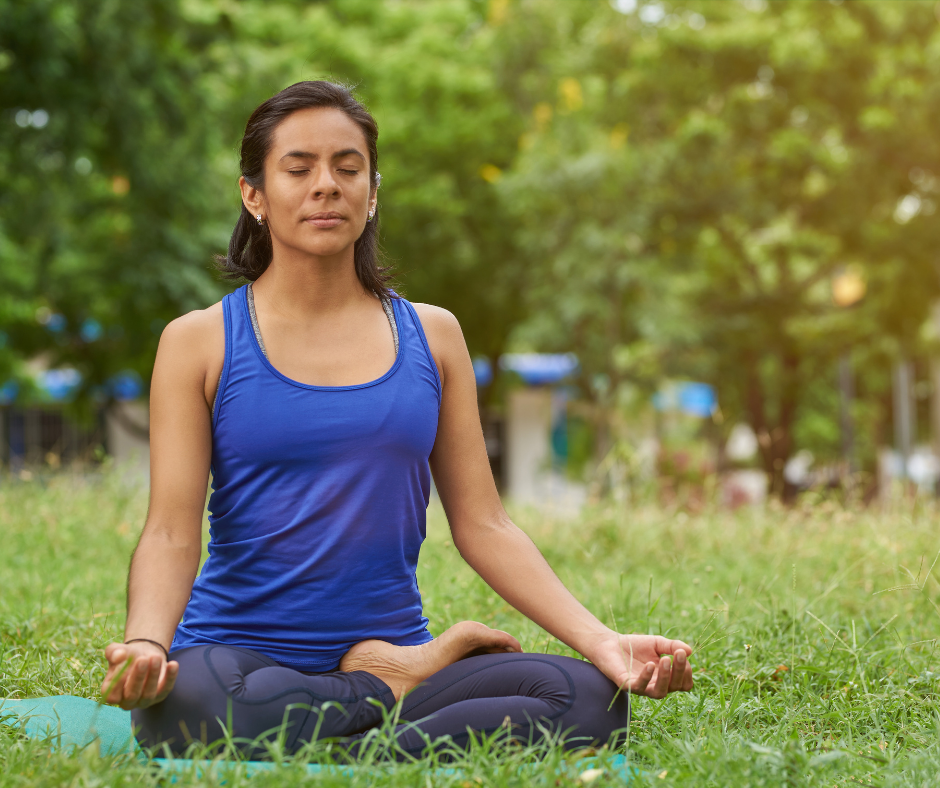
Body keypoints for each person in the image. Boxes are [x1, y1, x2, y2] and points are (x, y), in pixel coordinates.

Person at [100, 80, 694, 760]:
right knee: (193, 708)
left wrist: (602, 642)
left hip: (398, 647)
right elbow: (172, 532)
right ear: (253, 195)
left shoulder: (433, 337)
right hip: (237, 660)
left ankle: (356, 718)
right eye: (299, 169)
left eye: (347, 168)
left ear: (372, 192)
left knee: (590, 701)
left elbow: (485, 525)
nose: (327, 186)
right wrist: (148, 643)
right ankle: (381, 702)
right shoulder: (199, 341)